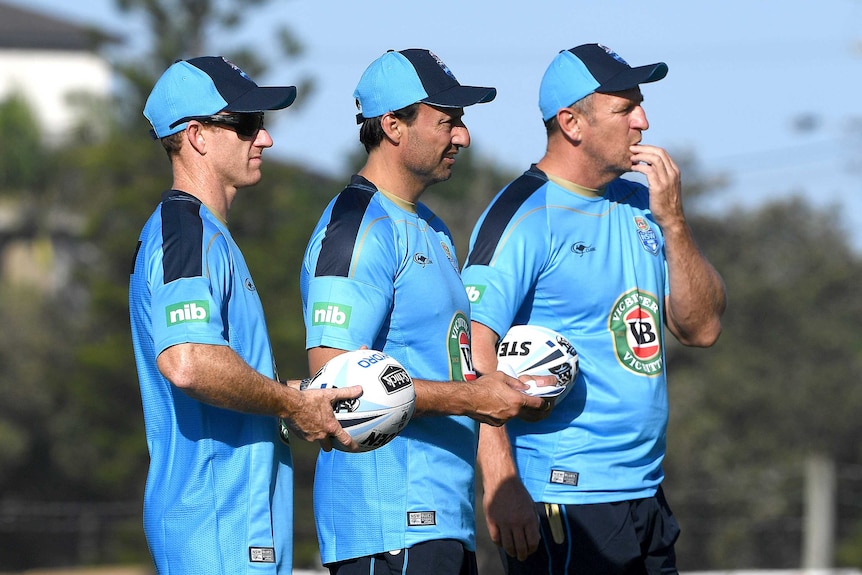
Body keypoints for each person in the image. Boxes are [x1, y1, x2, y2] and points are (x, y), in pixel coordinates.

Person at [461, 44, 727, 574]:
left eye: (641, 105)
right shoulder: (523, 215)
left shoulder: (643, 204)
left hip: (646, 490)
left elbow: (702, 328)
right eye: (625, 109)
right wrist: (501, 481)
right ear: (571, 123)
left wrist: (673, 221)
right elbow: (471, 349)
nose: (643, 121)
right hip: (564, 495)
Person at [300, 48, 552, 575]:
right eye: (448, 121)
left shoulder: (431, 226)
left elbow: (450, 367)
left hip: (440, 520)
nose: (462, 136)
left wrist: (506, 391)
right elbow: (333, 384)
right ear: (392, 126)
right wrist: (475, 398)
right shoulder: (356, 226)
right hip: (388, 525)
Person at [130, 56, 362, 575]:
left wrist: (301, 397)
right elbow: (188, 362)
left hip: (235, 529)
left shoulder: (205, 234)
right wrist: (290, 404)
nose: (266, 139)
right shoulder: (184, 232)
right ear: (197, 136)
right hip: (216, 529)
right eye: (247, 124)